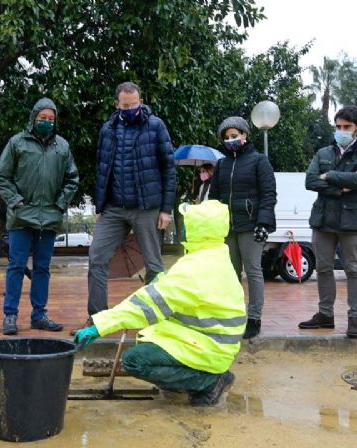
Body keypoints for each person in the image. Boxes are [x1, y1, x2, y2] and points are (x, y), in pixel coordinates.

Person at [74, 200, 246, 406]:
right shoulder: (216, 255)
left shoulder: (195, 268)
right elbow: (179, 290)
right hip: (214, 342)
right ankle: (191, 378)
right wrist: (163, 280)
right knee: (148, 338)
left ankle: (209, 381)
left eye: (186, 222)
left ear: (196, 228)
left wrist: (100, 326)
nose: (182, 227)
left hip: (209, 347)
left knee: (135, 360)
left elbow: (147, 305)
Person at [73, 82, 176, 334]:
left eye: (134, 104)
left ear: (141, 101)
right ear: (116, 104)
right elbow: (102, 167)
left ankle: (153, 318)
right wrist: (101, 205)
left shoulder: (156, 126)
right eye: (125, 105)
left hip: (147, 207)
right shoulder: (107, 130)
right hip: (114, 208)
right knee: (96, 258)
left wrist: (166, 209)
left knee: (154, 264)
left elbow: (168, 168)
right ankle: (97, 317)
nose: (130, 109)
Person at [0, 97, 79, 335]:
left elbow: (72, 178)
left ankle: (39, 314)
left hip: (49, 219)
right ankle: (10, 316)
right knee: (16, 267)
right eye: (43, 118)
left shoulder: (62, 147)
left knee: (42, 269)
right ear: (34, 117)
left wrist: (60, 204)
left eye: (51, 119)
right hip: (21, 218)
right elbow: (1, 176)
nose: (47, 122)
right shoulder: (17, 143)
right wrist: (16, 202)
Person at [298, 106, 357, 338]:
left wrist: (330, 176)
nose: (341, 131)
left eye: (347, 127)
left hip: (353, 220)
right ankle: (325, 315)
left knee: (354, 269)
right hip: (323, 219)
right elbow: (310, 181)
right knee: (323, 268)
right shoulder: (323, 152)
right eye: (338, 127)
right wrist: (341, 187)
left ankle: (355, 318)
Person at [208, 116, 276, 339]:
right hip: (228, 227)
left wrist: (263, 223)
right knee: (230, 274)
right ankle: (232, 316)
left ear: (245, 135)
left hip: (252, 225)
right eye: (226, 137)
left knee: (253, 271)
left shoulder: (259, 161)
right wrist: (212, 222)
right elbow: (214, 196)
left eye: (234, 135)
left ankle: (254, 318)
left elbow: (268, 194)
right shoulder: (222, 164)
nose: (230, 140)